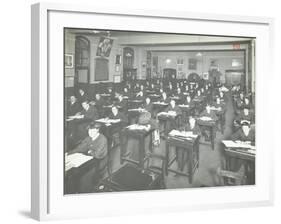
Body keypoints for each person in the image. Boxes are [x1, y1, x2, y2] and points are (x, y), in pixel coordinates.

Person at [67, 122, 108, 193]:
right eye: (89, 130)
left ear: (97, 130)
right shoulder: (88, 138)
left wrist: (90, 151)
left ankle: (85, 188)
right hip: (90, 158)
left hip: (101, 160)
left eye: (92, 130)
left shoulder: (102, 139)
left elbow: (98, 154)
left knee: (84, 174)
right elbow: (80, 148)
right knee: (76, 171)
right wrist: (68, 153)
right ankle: (76, 188)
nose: (90, 132)